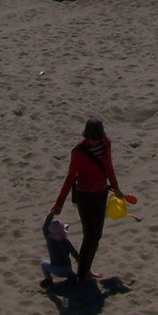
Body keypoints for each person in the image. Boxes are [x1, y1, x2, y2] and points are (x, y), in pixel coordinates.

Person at [50, 118, 125, 282]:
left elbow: (109, 167)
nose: (95, 140)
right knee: (89, 234)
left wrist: (116, 187)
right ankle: (82, 275)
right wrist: (59, 203)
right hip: (84, 195)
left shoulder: (106, 144)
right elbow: (70, 178)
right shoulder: (78, 151)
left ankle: (87, 269)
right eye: (93, 138)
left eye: (97, 137)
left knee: (97, 235)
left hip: (101, 192)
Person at [40, 217, 79, 286]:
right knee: (72, 273)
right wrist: (78, 259)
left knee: (43, 264)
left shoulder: (50, 241)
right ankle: (72, 276)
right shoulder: (66, 242)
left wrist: (51, 215)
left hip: (56, 269)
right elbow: (74, 253)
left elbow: (45, 228)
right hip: (67, 268)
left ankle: (48, 279)